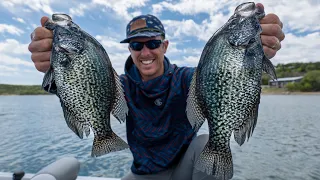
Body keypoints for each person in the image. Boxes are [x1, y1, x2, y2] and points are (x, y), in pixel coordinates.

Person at [28, 3, 285, 180]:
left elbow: (219, 78)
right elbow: (84, 89)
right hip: (142, 174)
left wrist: (248, 56)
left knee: (207, 141)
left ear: (164, 45)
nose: (145, 52)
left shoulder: (186, 79)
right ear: (130, 50)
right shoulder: (121, 86)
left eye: (152, 43)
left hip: (186, 169)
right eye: (136, 46)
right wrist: (53, 68)